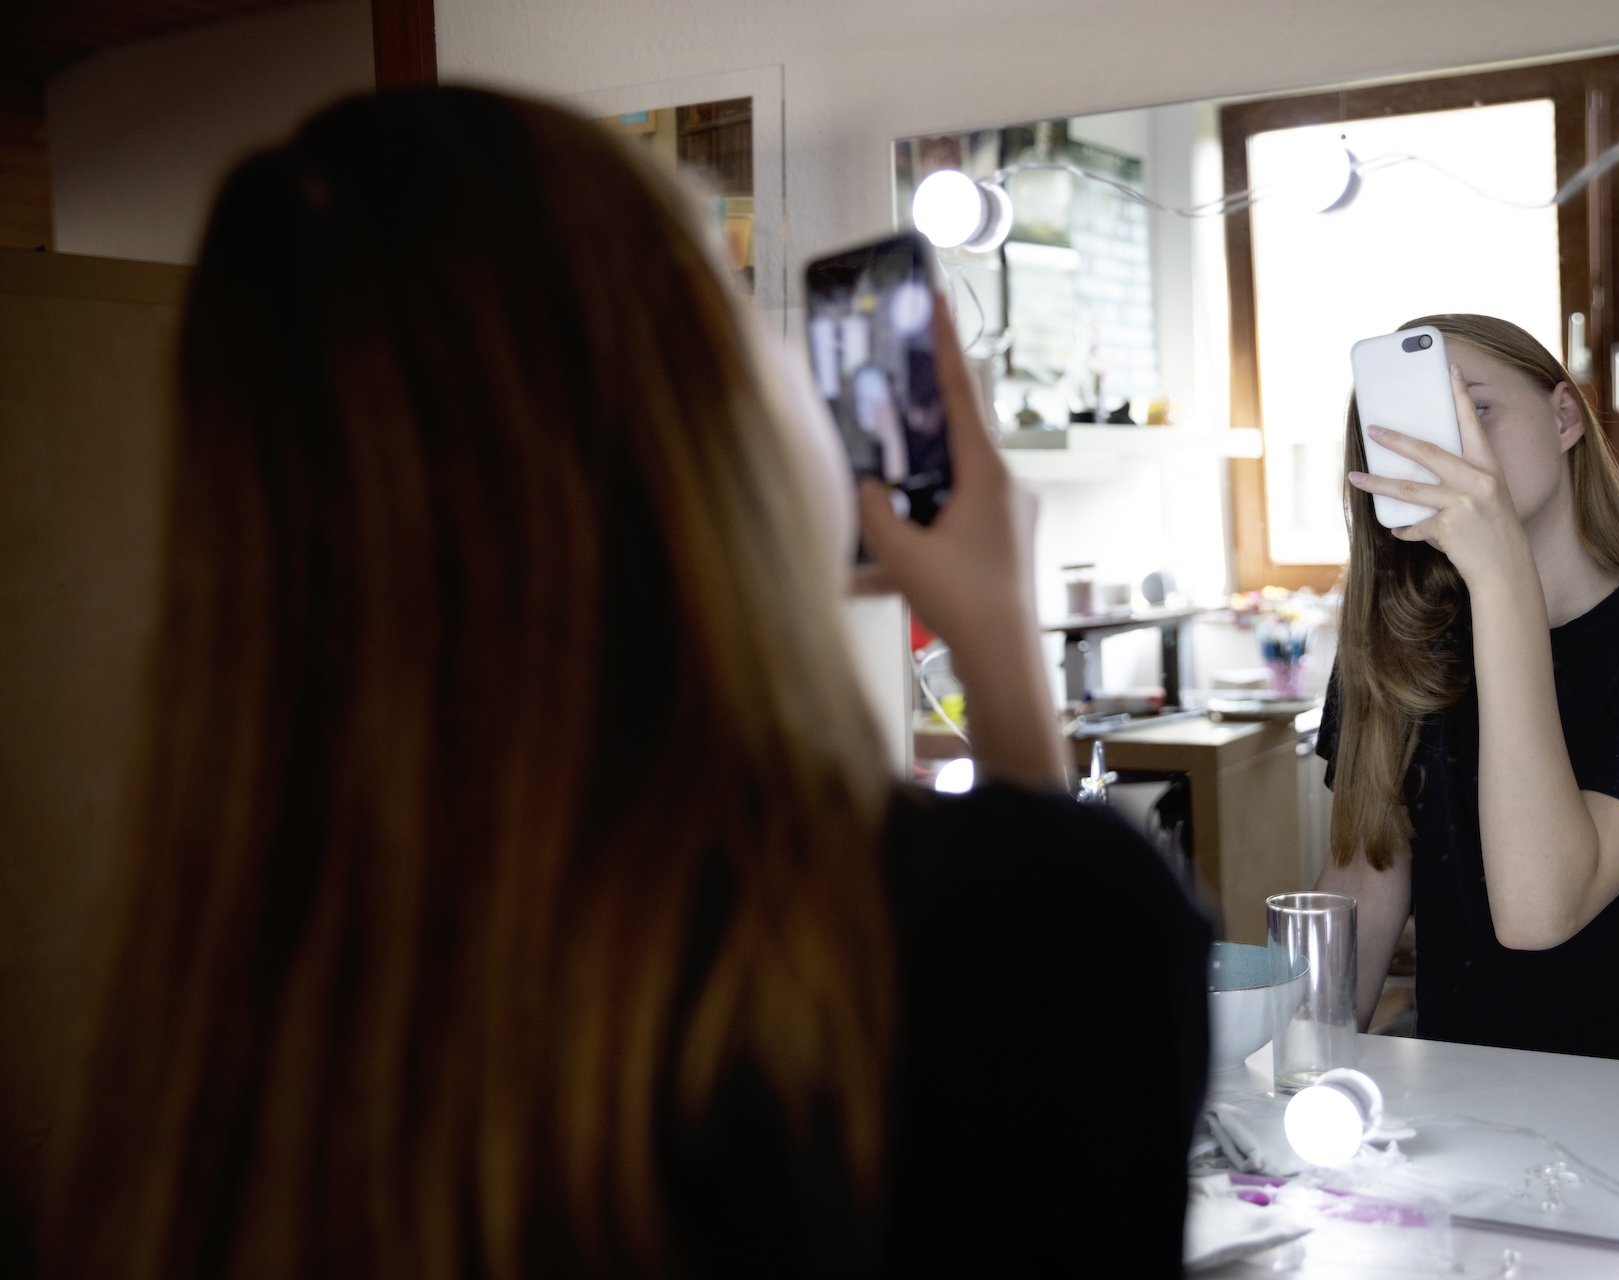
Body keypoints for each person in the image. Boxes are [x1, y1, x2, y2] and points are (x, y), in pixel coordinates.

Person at [40, 88, 1208, 1279]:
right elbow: (1055, 1046)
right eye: (738, 309)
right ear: (688, 439)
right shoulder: (1022, 935)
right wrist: (1002, 641)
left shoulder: (232, 1031)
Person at [1317, 313, 1619, 1073]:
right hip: (1472, 1094)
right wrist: (1299, 1083)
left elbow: (1541, 910)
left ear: (1565, 416)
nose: (1448, 451)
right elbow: (1363, 884)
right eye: (1409, 430)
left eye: (1476, 408)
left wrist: (1500, 577)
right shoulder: (1398, 642)